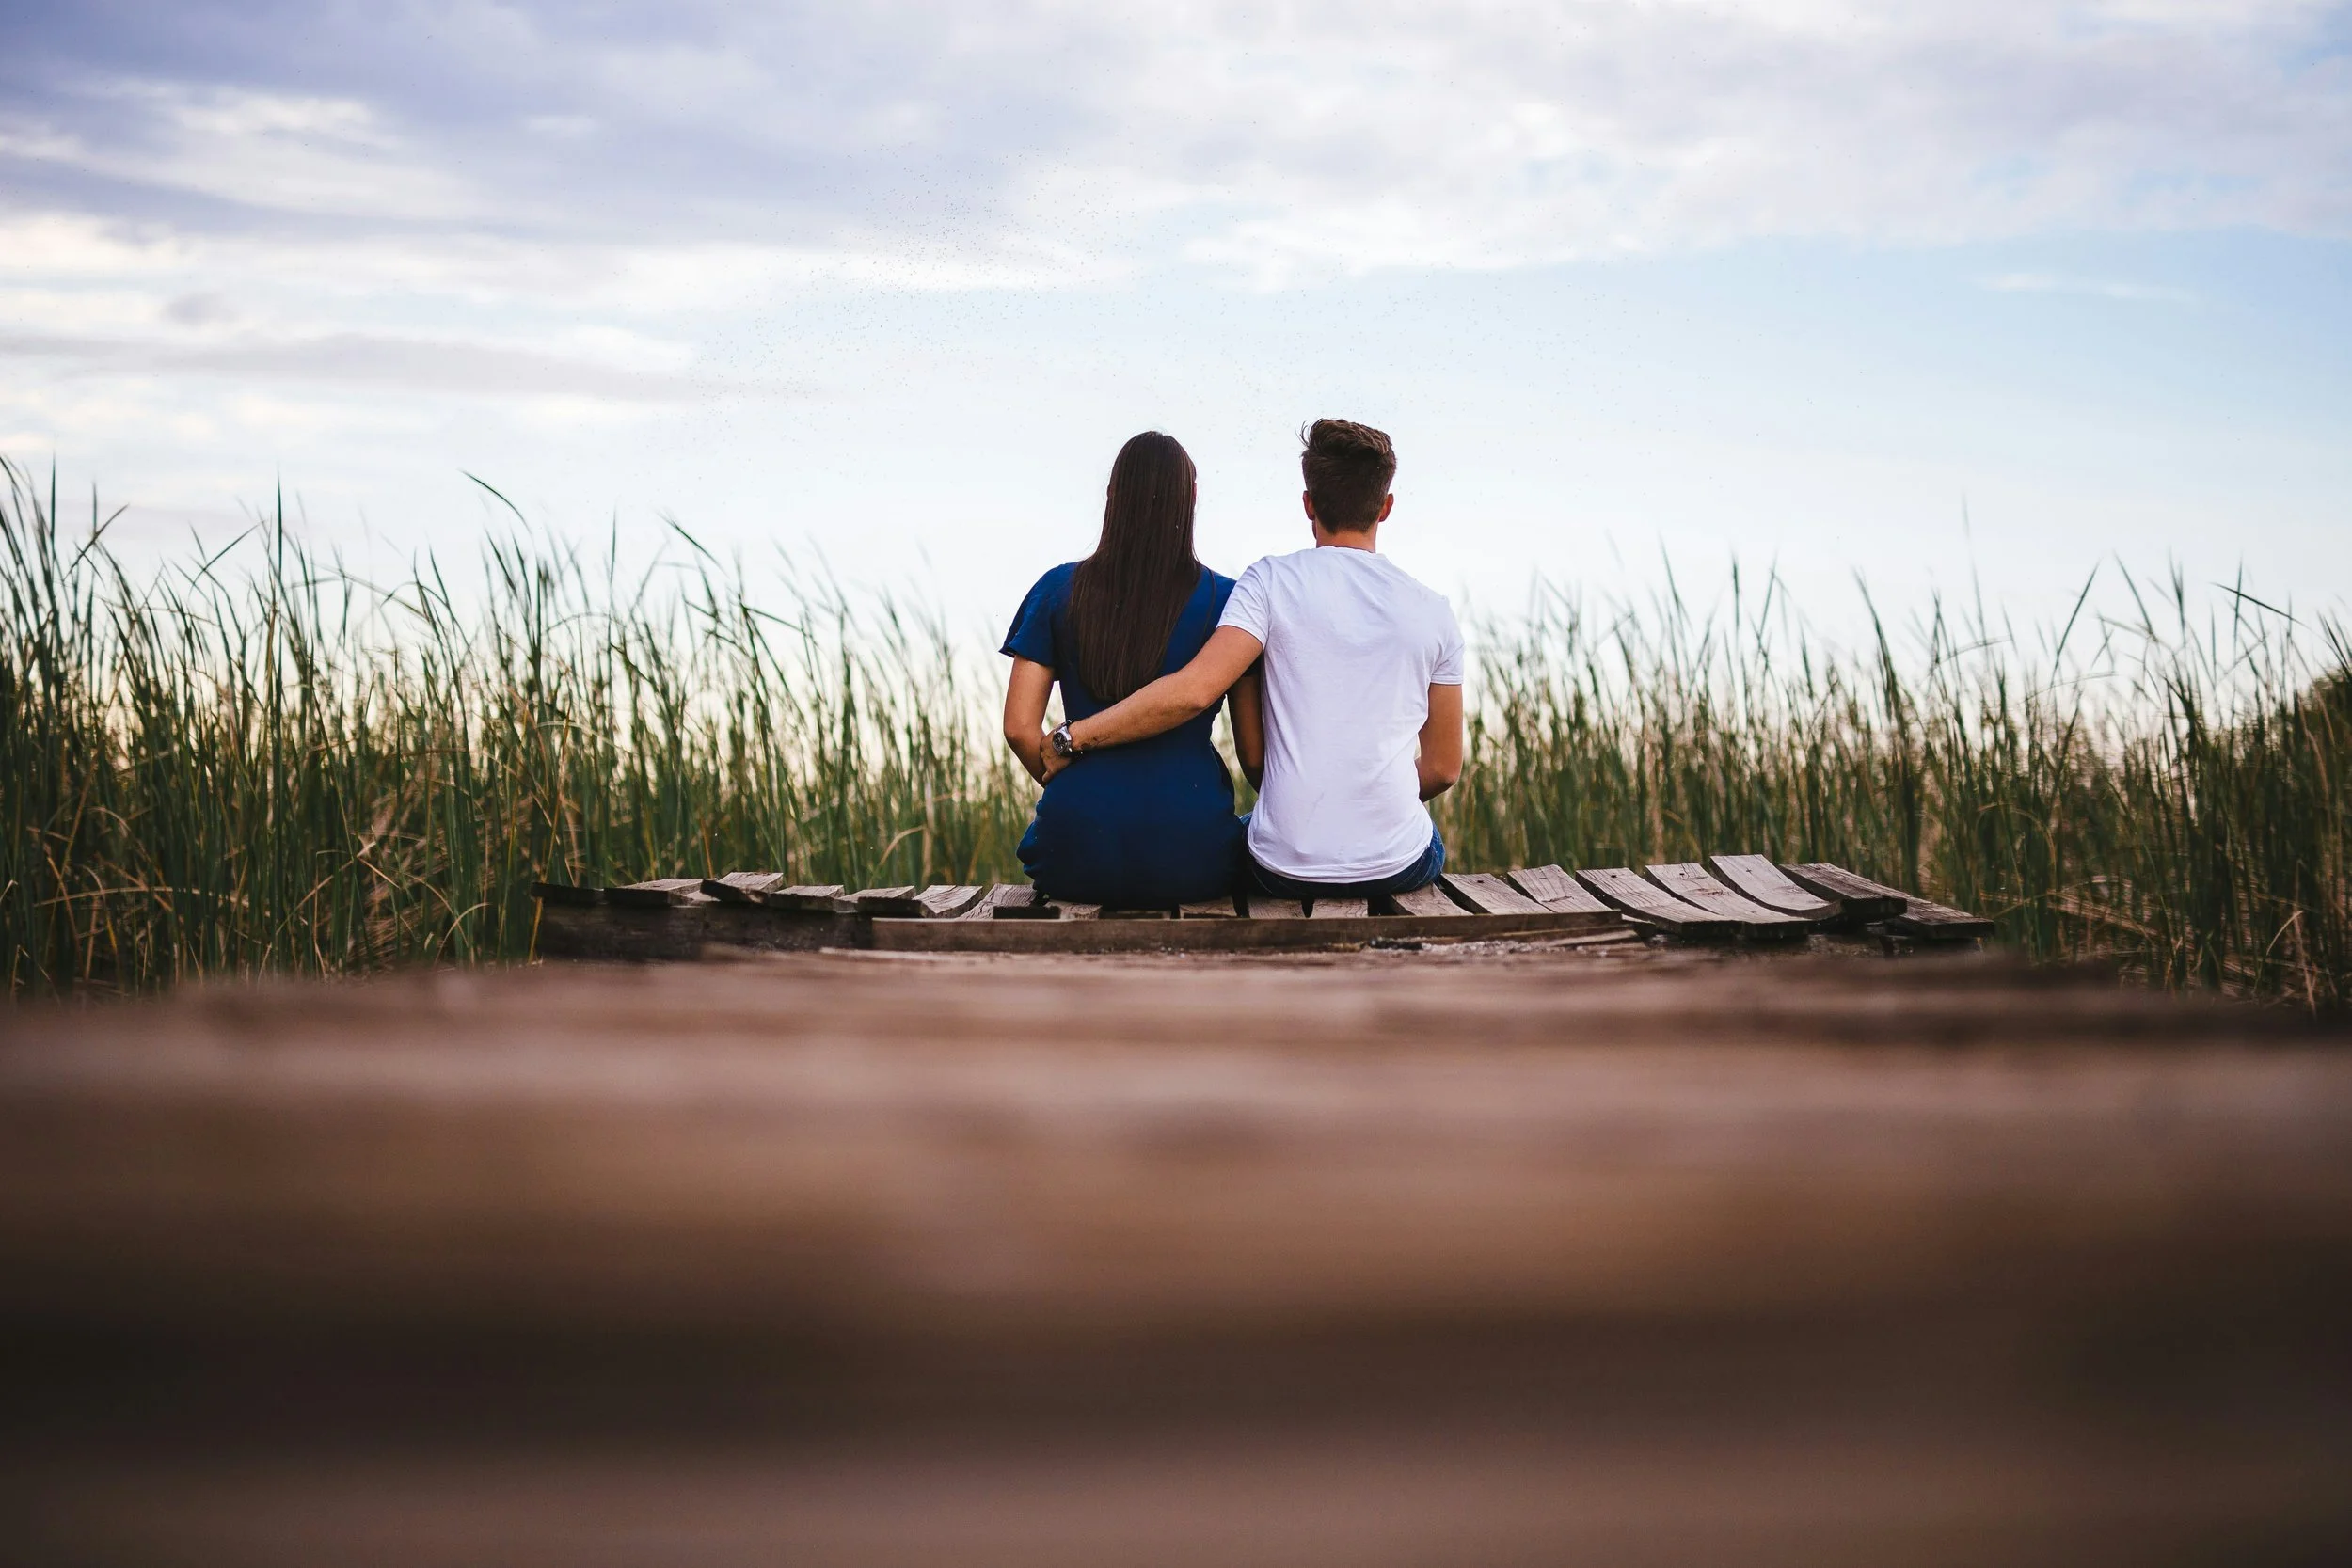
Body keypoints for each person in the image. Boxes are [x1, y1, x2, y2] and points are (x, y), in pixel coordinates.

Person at [1041, 419, 1464, 901]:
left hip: (1283, 867)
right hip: (1396, 863)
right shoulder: (1434, 611)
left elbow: (1210, 705)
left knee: (1243, 831)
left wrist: (1073, 736)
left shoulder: (1267, 583)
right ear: (1385, 507)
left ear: (1308, 502)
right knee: (1424, 838)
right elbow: (1445, 768)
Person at [1001, 431, 1263, 907]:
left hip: (1073, 854)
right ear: (1192, 499)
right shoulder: (1230, 603)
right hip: (1192, 855)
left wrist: (1079, 786)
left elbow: (1019, 728)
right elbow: (1253, 756)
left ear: (1111, 497)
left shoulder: (1055, 589)